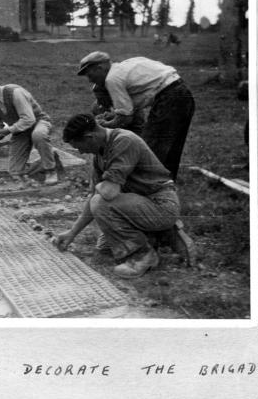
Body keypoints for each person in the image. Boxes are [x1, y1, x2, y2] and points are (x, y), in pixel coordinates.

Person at [55, 114, 183, 278]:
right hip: (141, 202)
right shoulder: (100, 153)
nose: (80, 151)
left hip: (161, 205)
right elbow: (94, 196)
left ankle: (142, 256)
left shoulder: (124, 141)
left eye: (79, 146)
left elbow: (108, 193)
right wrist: (72, 232)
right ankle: (155, 236)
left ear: (90, 137)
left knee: (101, 203)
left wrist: (100, 186)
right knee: (105, 247)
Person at [77, 51, 195, 181]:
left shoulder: (112, 78)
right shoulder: (126, 65)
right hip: (182, 93)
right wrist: (113, 115)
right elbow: (135, 102)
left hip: (169, 99)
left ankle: (149, 188)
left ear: (99, 67)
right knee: (172, 148)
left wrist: (103, 125)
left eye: (90, 74)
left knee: (150, 150)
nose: (89, 79)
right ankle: (166, 184)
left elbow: (126, 118)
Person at [0, 75, 58, 185]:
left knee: (38, 135)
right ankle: (50, 158)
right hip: (21, 131)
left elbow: (29, 119)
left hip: (39, 122)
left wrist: (8, 131)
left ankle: (50, 170)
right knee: (15, 172)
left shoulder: (15, 93)